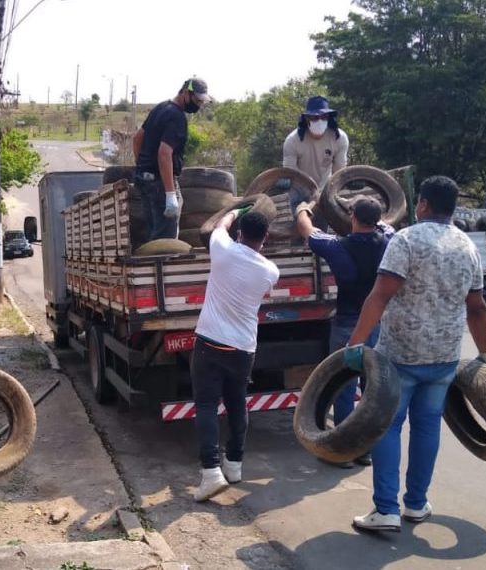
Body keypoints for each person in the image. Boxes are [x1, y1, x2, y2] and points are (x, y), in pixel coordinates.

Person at [342, 176, 486, 532]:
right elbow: (478, 307)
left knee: (387, 426)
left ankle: (386, 510)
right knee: (427, 427)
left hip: (400, 357)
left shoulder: (405, 240)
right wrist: (484, 354)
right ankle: (416, 504)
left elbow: (379, 296)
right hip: (443, 358)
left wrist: (355, 345)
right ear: (452, 207)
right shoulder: (467, 246)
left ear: (422, 204)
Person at [293, 196, 394, 468]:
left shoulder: (336, 246)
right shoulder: (388, 241)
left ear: (352, 217)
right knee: (372, 389)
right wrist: (365, 207)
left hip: (348, 325)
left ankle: (342, 449)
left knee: (344, 388)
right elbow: (385, 225)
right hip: (377, 325)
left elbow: (307, 229)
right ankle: (364, 450)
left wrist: (304, 207)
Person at [191, 206, 280, 502]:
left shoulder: (222, 248)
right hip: (243, 348)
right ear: (265, 237)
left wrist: (235, 210)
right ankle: (235, 464)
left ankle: (211, 473)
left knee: (206, 405)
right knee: (237, 403)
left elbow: (219, 224)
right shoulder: (270, 271)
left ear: (240, 233)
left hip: (209, 342)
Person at [132, 78, 212, 242]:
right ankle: (161, 266)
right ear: (185, 93)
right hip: (160, 185)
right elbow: (164, 153)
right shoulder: (177, 117)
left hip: (145, 181)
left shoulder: (161, 108)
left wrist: (142, 167)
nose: (198, 106)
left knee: (153, 234)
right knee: (165, 241)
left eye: (201, 102)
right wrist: (170, 194)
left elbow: (137, 139)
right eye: (196, 101)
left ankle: (151, 265)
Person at [282, 96, 350, 191]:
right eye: (314, 117)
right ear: (306, 119)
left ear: (329, 118)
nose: (319, 121)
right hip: (300, 191)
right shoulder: (292, 141)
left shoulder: (339, 138)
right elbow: (290, 171)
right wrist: (286, 178)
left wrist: (350, 180)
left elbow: (339, 170)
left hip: (326, 190)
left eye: (324, 117)